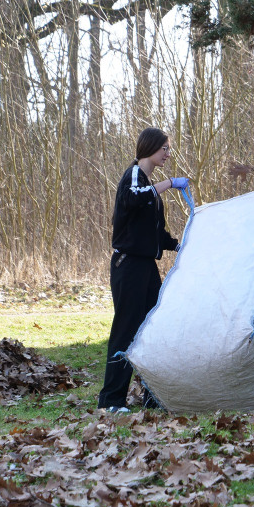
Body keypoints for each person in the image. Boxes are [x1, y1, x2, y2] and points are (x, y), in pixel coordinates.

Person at [98, 127, 188, 412]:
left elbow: (155, 232)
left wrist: (179, 246)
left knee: (153, 329)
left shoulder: (147, 182)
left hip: (146, 267)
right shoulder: (135, 175)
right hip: (128, 265)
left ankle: (153, 397)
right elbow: (134, 198)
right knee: (126, 331)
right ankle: (111, 401)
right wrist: (170, 183)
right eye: (165, 148)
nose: (168, 154)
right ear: (150, 147)